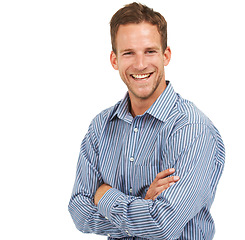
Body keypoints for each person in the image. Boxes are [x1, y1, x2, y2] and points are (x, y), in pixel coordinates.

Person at [68, 2, 225, 239]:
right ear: (114, 60)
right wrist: (144, 204)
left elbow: (163, 225)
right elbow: (79, 213)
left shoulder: (192, 130)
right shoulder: (100, 127)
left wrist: (105, 195)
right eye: (129, 53)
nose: (140, 64)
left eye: (150, 51)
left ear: (166, 55)